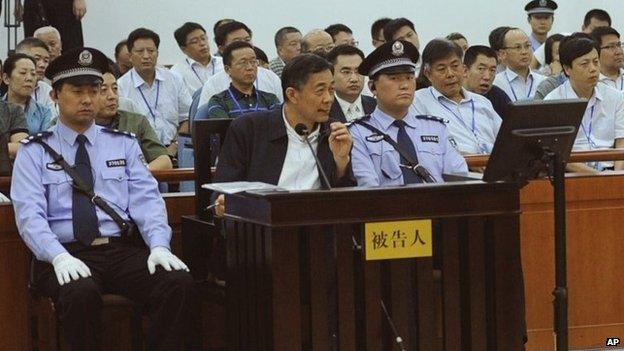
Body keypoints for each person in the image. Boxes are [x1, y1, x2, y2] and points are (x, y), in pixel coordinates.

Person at [10, 47, 197, 350]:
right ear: (55, 95)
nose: (87, 99)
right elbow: (30, 215)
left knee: (177, 283)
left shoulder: (121, 144)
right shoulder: (34, 151)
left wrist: (159, 245)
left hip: (119, 250)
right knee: (79, 293)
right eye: (77, 91)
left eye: (94, 90)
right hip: (66, 252)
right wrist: (57, 255)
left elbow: (146, 200)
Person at [212, 54, 354, 216]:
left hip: (318, 227)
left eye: (331, 90)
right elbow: (223, 189)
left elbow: (345, 201)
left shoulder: (335, 132)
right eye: (320, 91)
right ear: (292, 94)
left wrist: (341, 162)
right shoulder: (249, 129)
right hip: (264, 225)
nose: (328, 99)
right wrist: (222, 204)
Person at [349, 40, 467, 187]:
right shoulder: (358, 133)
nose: (405, 85)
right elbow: (368, 188)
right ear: (373, 87)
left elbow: (460, 180)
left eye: (409, 78)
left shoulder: (436, 128)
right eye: (394, 78)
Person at [544, 36, 624, 173]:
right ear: (567, 69)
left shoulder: (615, 96)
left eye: (595, 62)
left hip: (612, 170)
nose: (593, 69)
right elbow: (557, 153)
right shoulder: (553, 102)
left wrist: (616, 176)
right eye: (585, 64)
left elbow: (621, 141)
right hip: (572, 174)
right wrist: (596, 177)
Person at [413, 39, 502, 155]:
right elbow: (423, 146)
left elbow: (506, 139)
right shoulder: (418, 101)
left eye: (455, 66)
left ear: (464, 69)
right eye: (441, 69)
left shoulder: (483, 102)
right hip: (456, 170)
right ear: (428, 74)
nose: (450, 74)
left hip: (493, 167)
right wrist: (463, 158)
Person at [117, 28, 192, 155]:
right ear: (130, 56)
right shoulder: (120, 87)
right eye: (140, 51)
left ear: (157, 53)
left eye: (151, 51)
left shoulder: (174, 79)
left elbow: (187, 118)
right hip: (139, 153)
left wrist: (175, 146)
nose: (146, 56)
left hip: (175, 151)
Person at [95, 60, 172, 170]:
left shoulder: (136, 122)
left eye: (115, 89)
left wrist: (136, 175)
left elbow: (164, 161)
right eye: (103, 90)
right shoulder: (79, 126)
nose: (112, 96)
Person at [198, 21, 283, 107]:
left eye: (247, 40)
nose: (244, 44)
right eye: (237, 41)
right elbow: (204, 118)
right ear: (222, 49)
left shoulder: (271, 78)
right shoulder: (213, 84)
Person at [200, 41, 279, 120]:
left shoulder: (270, 99)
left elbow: (278, 128)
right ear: (228, 69)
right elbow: (225, 131)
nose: (250, 67)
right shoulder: (219, 101)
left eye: (253, 62)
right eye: (243, 62)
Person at [531, 8, 611, 70]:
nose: (598, 34)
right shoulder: (563, 39)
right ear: (583, 28)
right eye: (595, 29)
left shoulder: (611, 49)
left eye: (604, 31)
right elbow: (533, 63)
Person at [1, 53, 52, 133]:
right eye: (23, 73)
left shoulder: (44, 112)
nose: (29, 78)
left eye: (33, 74)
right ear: (6, 78)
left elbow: (46, 142)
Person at [493, 28, 546, 101]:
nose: (524, 52)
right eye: (518, 47)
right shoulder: (495, 83)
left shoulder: (543, 82)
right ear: (503, 54)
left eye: (527, 46)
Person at [326, 45, 376, 123]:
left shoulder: (377, 106)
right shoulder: (324, 110)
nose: (354, 79)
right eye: (346, 72)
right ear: (331, 74)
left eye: (358, 71)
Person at [171, 22, 224, 94]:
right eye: (194, 41)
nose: (202, 43)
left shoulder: (224, 63)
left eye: (203, 38)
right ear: (183, 49)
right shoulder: (177, 72)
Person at [463, 45, 511, 119]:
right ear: (465, 70)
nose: (487, 77)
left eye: (492, 70)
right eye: (481, 69)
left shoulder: (498, 96)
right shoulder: (453, 96)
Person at [17, 0, 85, 51]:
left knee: (72, 48)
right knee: (34, 47)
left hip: (65, 5)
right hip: (34, 4)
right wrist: (17, 3)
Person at [15, 38, 55, 110]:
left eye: (46, 61)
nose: (42, 65)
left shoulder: (46, 90)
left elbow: (51, 118)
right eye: (37, 59)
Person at [591, 27, 624, 91]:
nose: (619, 52)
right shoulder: (592, 83)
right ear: (596, 51)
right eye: (611, 47)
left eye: (619, 45)